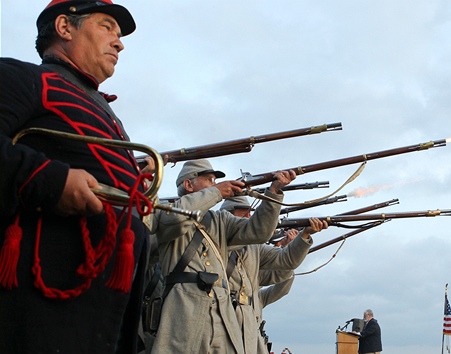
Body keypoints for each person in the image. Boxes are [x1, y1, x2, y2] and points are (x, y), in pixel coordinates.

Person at [0, 1, 150, 352]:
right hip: (43, 298)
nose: (119, 42)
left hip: (106, 307)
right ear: (65, 27)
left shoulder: (109, 115)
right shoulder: (23, 78)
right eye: (107, 26)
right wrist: (49, 179)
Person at [150, 159, 297, 354]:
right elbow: (177, 219)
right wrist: (216, 192)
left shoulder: (220, 220)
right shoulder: (166, 209)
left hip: (222, 312)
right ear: (188, 185)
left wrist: (274, 191)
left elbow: (259, 232)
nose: (214, 184)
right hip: (185, 308)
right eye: (209, 180)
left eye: (214, 181)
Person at [220, 196, 327, 354]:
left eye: (250, 216)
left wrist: (304, 235)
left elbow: (285, 264)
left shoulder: (253, 250)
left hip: (248, 335)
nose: (249, 221)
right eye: (244, 215)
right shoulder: (216, 245)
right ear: (226, 217)